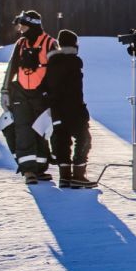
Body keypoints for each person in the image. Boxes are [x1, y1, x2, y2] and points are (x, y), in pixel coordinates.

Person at [0, 10, 57, 184]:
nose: (20, 29)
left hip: (42, 95)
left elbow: (57, 72)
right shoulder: (21, 44)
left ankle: (40, 168)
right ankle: (28, 171)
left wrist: (54, 95)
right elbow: (12, 68)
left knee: (40, 130)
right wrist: (5, 91)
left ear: (32, 26)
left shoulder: (50, 43)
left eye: (23, 26)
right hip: (21, 94)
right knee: (23, 130)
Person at [44, 29, 92, 188]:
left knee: (61, 141)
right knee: (84, 138)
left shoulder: (51, 63)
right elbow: (75, 90)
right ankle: (78, 176)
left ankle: (64, 177)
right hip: (74, 109)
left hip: (56, 110)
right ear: (74, 44)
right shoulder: (74, 61)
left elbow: (45, 87)